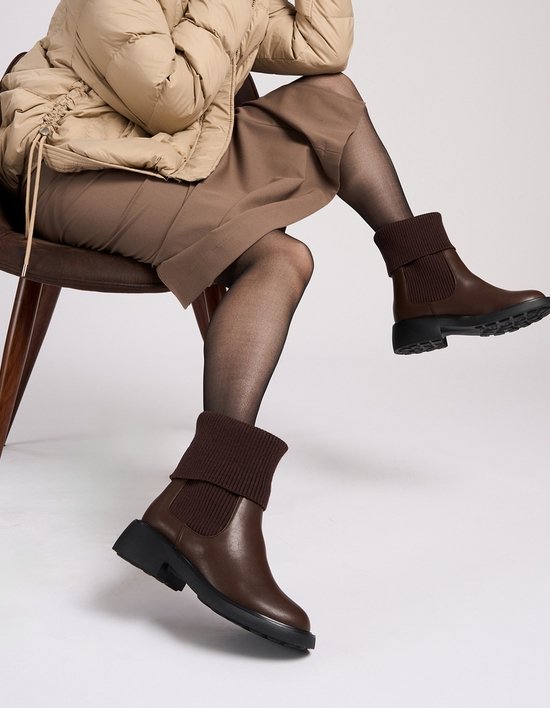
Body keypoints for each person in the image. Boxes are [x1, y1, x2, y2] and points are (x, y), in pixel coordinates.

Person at [1, 0, 548, 652]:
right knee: (284, 258)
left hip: (165, 152)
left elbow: (322, 50)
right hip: (73, 166)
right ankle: (208, 509)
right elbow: (172, 99)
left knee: (333, 97)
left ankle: (427, 277)